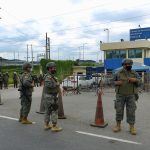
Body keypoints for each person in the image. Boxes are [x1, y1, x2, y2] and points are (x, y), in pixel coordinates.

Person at [112, 59, 141, 135]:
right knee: (119, 110)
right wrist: (116, 82)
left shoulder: (134, 73)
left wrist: (135, 80)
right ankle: (118, 125)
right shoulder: (118, 73)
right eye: (127, 65)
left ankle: (132, 127)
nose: (129, 66)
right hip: (120, 95)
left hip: (131, 95)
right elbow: (110, 81)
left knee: (131, 111)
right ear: (123, 65)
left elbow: (140, 82)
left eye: (130, 65)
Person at [43, 62, 62, 132]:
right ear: (49, 68)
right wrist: (56, 84)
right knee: (54, 110)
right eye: (53, 68)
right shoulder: (48, 77)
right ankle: (54, 126)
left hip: (49, 96)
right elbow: (49, 85)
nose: (55, 69)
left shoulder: (51, 76)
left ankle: (46, 125)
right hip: (51, 96)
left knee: (47, 111)